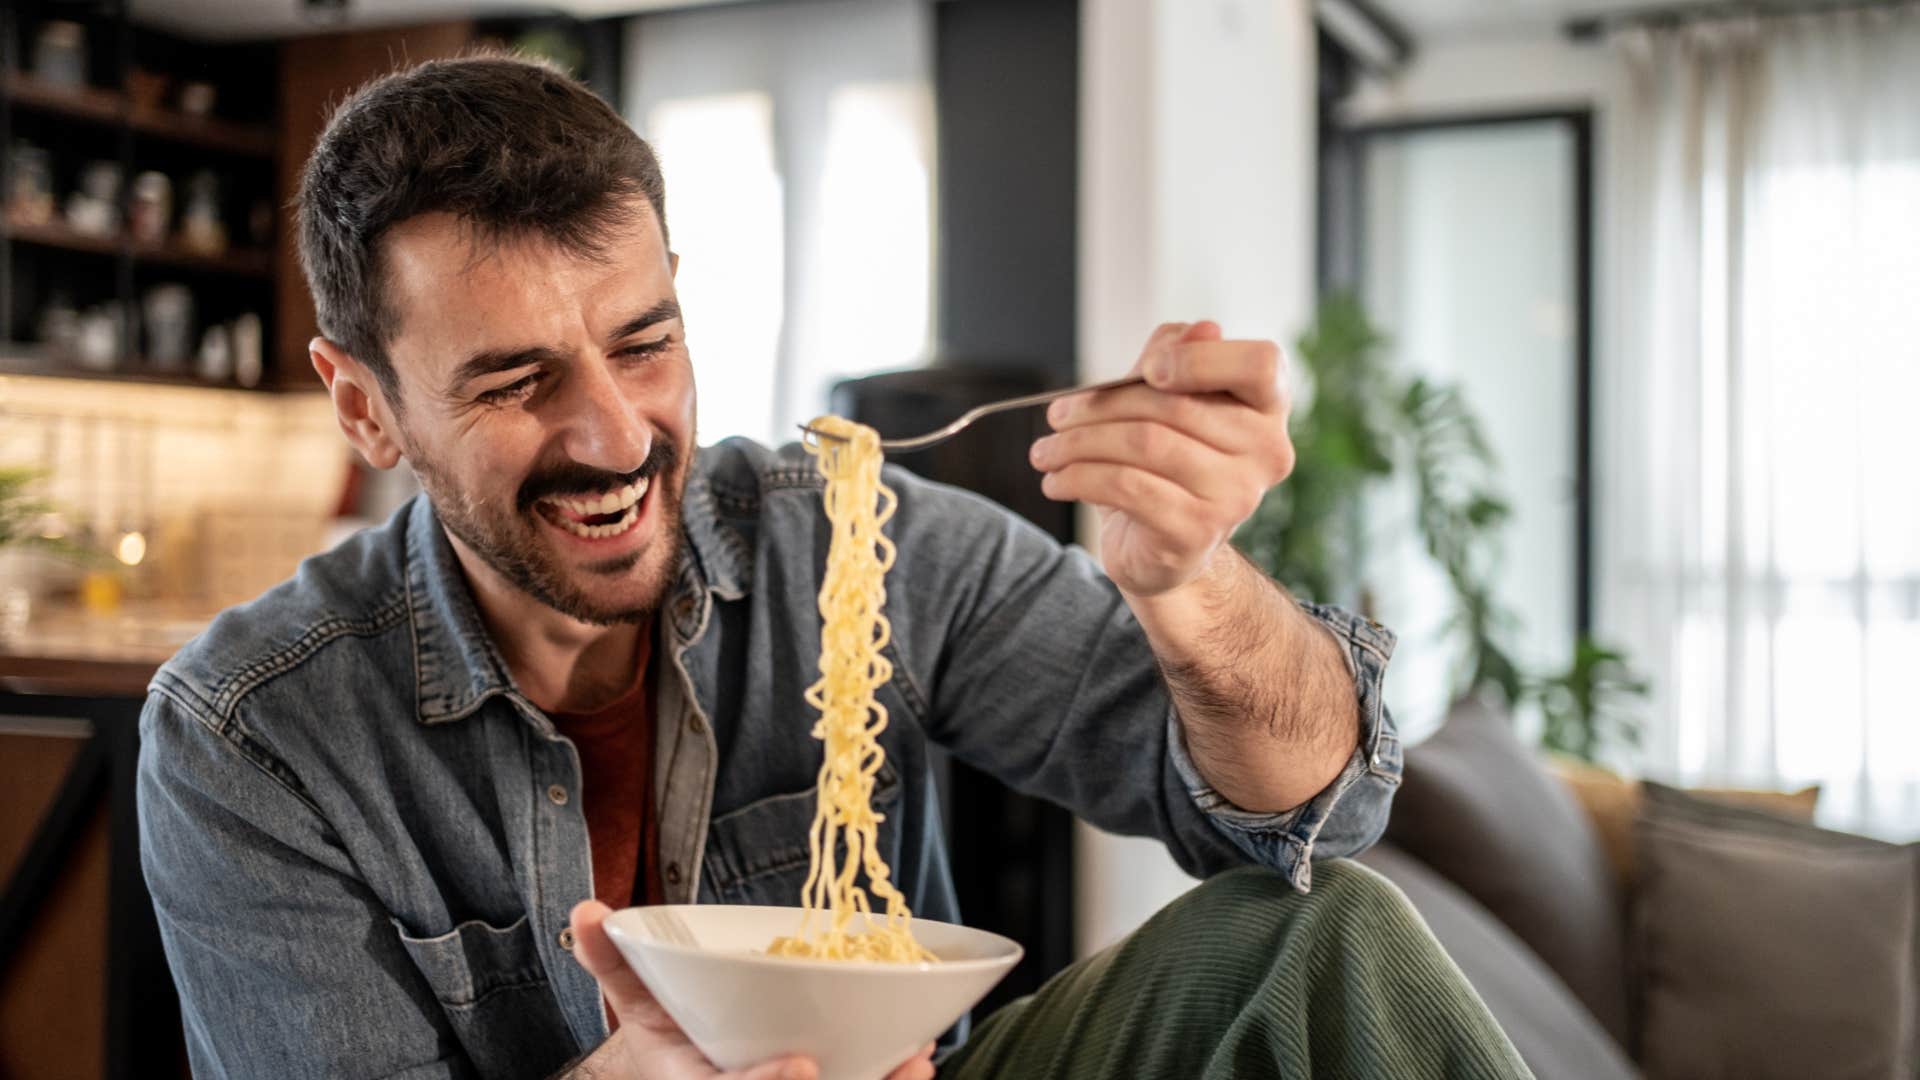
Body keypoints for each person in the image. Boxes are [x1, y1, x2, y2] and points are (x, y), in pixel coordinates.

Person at [137, 56, 1529, 1080]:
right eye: (515, 381)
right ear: (365, 402)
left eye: (642, 341)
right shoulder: (250, 734)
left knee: (1325, 937)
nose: (617, 436)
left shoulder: (849, 533)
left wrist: (1193, 584)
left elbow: (1307, 818)